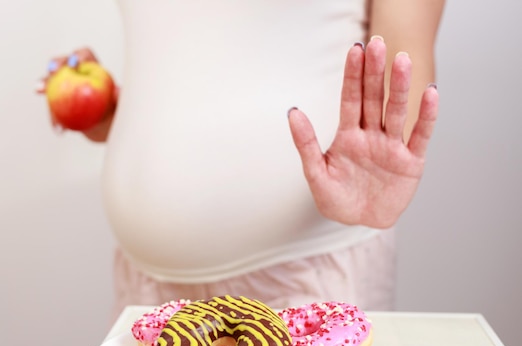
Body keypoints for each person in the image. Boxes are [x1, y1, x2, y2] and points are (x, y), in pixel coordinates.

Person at [37, 0, 445, 320]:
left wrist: (385, 161)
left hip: (307, 274)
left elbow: (403, 60)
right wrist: (114, 115)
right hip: (145, 285)